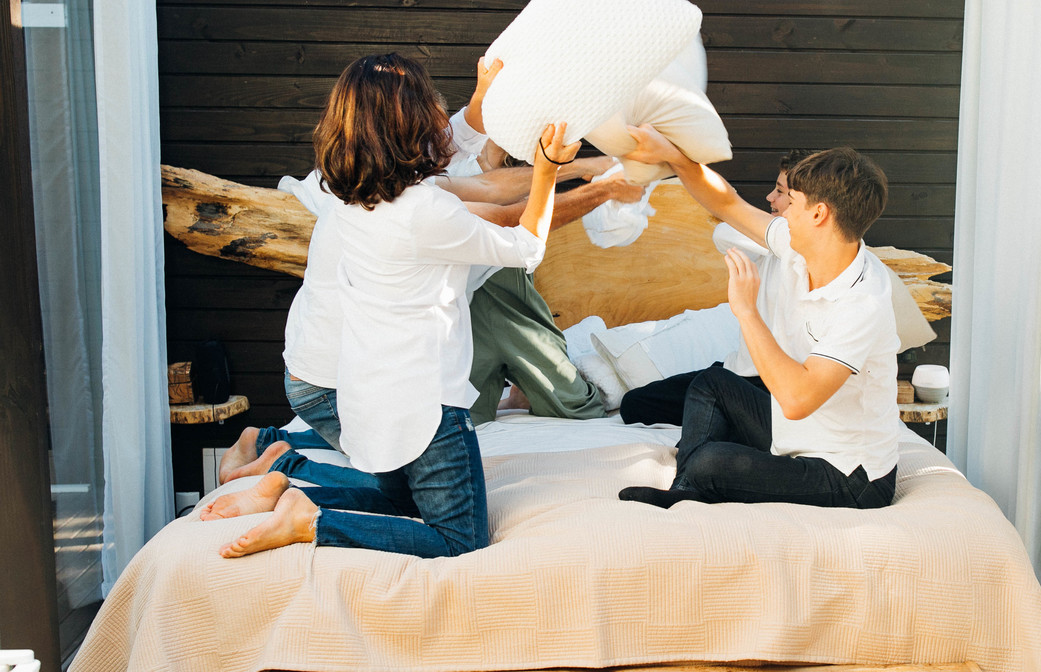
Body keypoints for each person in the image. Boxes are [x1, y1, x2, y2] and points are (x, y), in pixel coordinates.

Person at [201, 52, 579, 559]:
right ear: (415, 125)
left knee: (400, 503)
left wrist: (483, 99)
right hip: (426, 404)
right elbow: (527, 246)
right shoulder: (429, 209)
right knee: (459, 542)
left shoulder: (344, 193)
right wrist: (549, 171)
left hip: (368, 394)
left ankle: (288, 492)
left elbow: (454, 145)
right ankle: (311, 521)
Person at [617, 128, 901, 510]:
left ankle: (697, 478)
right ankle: (685, 489)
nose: (783, 212)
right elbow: (727, 204)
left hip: (848, 473)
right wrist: (674, 156)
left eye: (792, 202)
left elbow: (797, 400)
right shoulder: (801, 247)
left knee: (710, 462)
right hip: (797, 433)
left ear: (819, 214)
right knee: (712, 383)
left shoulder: (862, 302)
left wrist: (746, 310)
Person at [618, 148, 810, 427]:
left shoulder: (810, 257)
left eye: (780, 192)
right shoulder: (770, 246)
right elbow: (722, 233)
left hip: (770, 386)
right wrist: (774, 233)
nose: (770, 197)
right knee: (634, 404)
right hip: (734, 374)